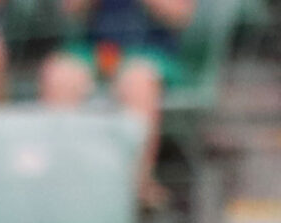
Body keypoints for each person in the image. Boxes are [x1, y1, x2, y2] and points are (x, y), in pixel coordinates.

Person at [40, 0, 192, 208]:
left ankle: (135, 188)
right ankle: (63, 186)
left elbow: (180, 14)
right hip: (96, 51)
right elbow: (70, 9)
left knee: (137, 80)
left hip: (153, 54)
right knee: (60, 75)